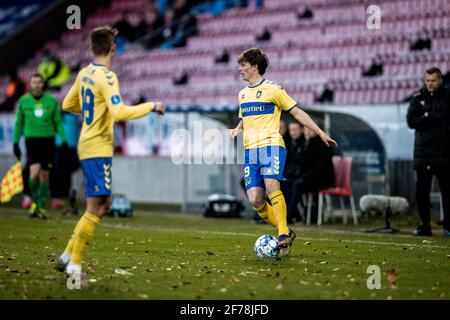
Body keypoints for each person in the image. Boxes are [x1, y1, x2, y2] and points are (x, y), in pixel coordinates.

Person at [54, 26, 165, 280]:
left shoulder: (84, 73)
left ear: (92, 49)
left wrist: (91, 113)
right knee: (96, 207)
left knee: (104, 205)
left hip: (87, 143)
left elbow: (67, 104)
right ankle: (75, 266)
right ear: (113, 49)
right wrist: (152, 106)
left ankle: (66, 256)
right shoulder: (108, 77)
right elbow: (120, 113)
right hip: (97, 146)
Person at [229, 48, 337, 254]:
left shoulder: (273, 90)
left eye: (243, 65)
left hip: (271, 145)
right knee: (255, 200)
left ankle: (283, 234)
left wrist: (321, 133)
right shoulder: (242, 94)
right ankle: (285, 229)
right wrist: (237, 128)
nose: (240, 69)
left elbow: (297, 111)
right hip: (250, 150)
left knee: (272, 186)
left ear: (254, 66)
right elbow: (246, 117)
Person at [13, 73, 68, 219]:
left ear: (43, 84)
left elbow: (58, 122)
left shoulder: (51, 101)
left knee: (45, 175)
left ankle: (41, 207)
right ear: (31, 84)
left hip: (48, 141)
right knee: (34, 172)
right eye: (34, 82)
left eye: (39, 82)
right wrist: (15, 141)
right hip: (32, 141)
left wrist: (63, 139)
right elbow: (19, 123)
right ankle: (33, 204)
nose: (36, 85)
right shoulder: (24, 101)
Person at [406, 67, 450, 236]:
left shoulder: (448, 97)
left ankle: (448, 225)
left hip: (444, 152)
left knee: (447, 191)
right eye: (428, 81)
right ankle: (425, 225)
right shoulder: (418, 98)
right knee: (421, 192)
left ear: (440, 80)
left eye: (433, 80)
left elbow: (445, 118)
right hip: (422, 153)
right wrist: (432, 118)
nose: (430, 84)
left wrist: (426, 117)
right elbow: (411, 121)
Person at [285, 126, 335, 223]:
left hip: (321, 180)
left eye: (309, 129)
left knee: (297, 185)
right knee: (285, 183)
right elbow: (302, 164)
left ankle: (289, 216)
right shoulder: (306, 144)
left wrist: (303, 175)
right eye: (305, 129)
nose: (307, 132)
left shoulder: (323, 144)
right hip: (308, 178)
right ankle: (294, 215)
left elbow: (321, 168)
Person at [50, 112, 82, 209]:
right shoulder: (59, 114)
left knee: (67, 171)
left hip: (73, 146)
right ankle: (57, 196)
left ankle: (64, 194)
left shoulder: (77, 114)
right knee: (59, 171)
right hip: (60, 145)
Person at [281, 122, 305, 223]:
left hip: (302, 177)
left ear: (301, 130)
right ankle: (294, 215)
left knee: (289, 185)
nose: (293, 132)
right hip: (292, 175)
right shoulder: (291, 144)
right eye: (291, 130)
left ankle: (289, 216)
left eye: (295, 130)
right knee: (281, 184)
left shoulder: (304, 144)